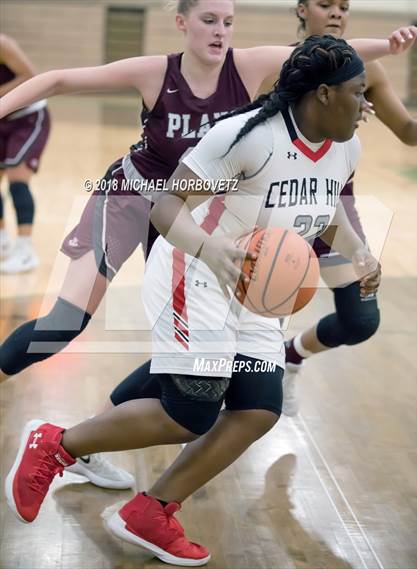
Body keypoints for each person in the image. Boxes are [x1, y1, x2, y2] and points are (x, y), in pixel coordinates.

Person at [6, 36, 389, 566]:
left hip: (252, 288)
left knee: (258, 409)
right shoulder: (245, 138)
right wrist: (212, 250)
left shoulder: (346, 146)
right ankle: (56, 443)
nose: (367, 106)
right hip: (195, 268)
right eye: (357, 92)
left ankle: (153, 510)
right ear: (323, 94)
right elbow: (167, 208)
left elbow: (325, 212)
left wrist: (360, 253)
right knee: (192, 411)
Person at [280, 0, 417, 416]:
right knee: (256, 315)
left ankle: (292, 355)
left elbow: (410, 133)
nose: (337, 13)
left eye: (344, 6)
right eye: (326, 4)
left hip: (335, 208)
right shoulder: (281, 64)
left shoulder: (367, 67)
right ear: (302, 9)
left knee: (360, 320)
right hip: (281, 202)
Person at [0, 34, 50, 273]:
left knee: (17, 181)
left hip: (26, 117)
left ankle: (25, 251)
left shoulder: (3, 44)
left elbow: (30, 76)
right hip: (2, 118)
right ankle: (2, 241)